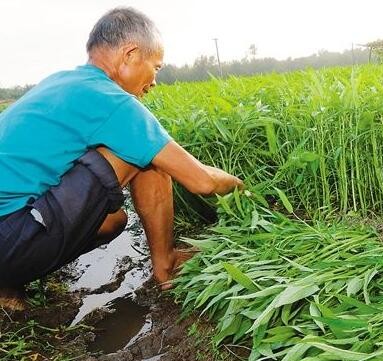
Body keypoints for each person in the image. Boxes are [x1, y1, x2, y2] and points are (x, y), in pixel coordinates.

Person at [0, 7, 243, 310]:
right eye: (156, 67)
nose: (154, 81)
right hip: (9, 238)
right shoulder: (111, 99)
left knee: (114, 220)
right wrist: (242, 188)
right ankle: (165, 265)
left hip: (10, 229)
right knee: (147, 155)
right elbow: (202, 182)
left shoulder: (62, 82)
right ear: (130, 54)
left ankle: (8, 283)